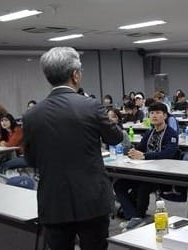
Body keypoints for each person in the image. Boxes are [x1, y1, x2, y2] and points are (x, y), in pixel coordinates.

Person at [23, 47, 123, 250]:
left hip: (53, 200)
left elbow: (31, 160)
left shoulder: (31, 115)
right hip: (92, 198)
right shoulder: (91, 106)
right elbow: (115, 138)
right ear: (75, 75)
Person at [113, 102, 178, 230]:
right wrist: (133, 152)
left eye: (158, 113)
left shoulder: (171, 134)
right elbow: (140, 148)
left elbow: (168, 154)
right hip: (144, 171)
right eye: (152, 113)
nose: (154, 116)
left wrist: (144, 156)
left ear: (165, 116)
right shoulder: (149, 133)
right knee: (118, 185)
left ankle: (137, 217)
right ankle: (135, 217)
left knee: (143, 185)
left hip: (161, 174)